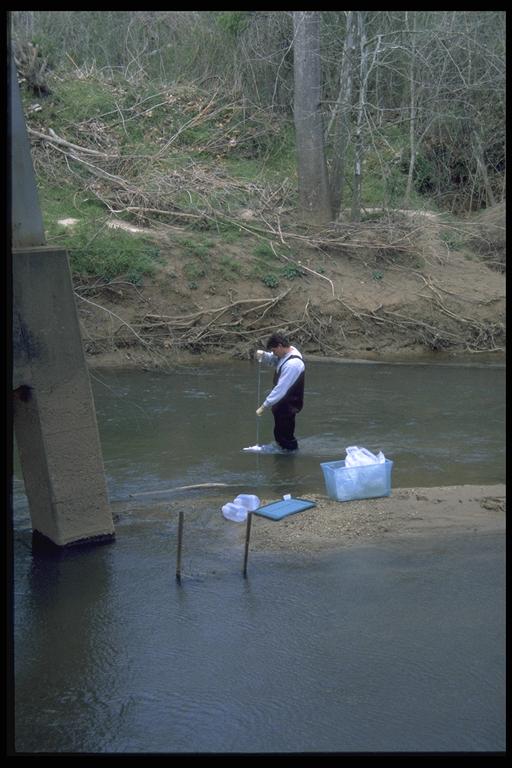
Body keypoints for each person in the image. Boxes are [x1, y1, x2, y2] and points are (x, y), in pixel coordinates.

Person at [255, 332, 305, 452]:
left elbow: (281, 389)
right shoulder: (288, 352)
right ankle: (284, 451)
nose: (273, 353)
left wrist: (264, 405)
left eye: (273, 350)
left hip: (289, 404)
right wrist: (265, 356)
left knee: (285, 435)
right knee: (279, 433)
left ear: (280, 346)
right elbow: (276, 361)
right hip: (282, 403)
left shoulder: (293, 364)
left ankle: (290, 456)